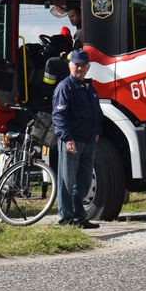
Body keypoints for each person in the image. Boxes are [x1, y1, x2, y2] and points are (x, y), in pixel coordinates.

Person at [52, 48, 102, 229]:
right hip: (72, 142)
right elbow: (59, 116)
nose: (79, 69)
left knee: (84, 181)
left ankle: (79, 217)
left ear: (88, 67)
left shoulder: (89, 87)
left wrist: (97, 131)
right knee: (67, 182)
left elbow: (97, 112)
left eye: (83, 65)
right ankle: (65, 219)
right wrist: (67, 139)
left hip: (88, 141)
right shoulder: (65, 87)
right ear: (69, 66)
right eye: (76, 65)